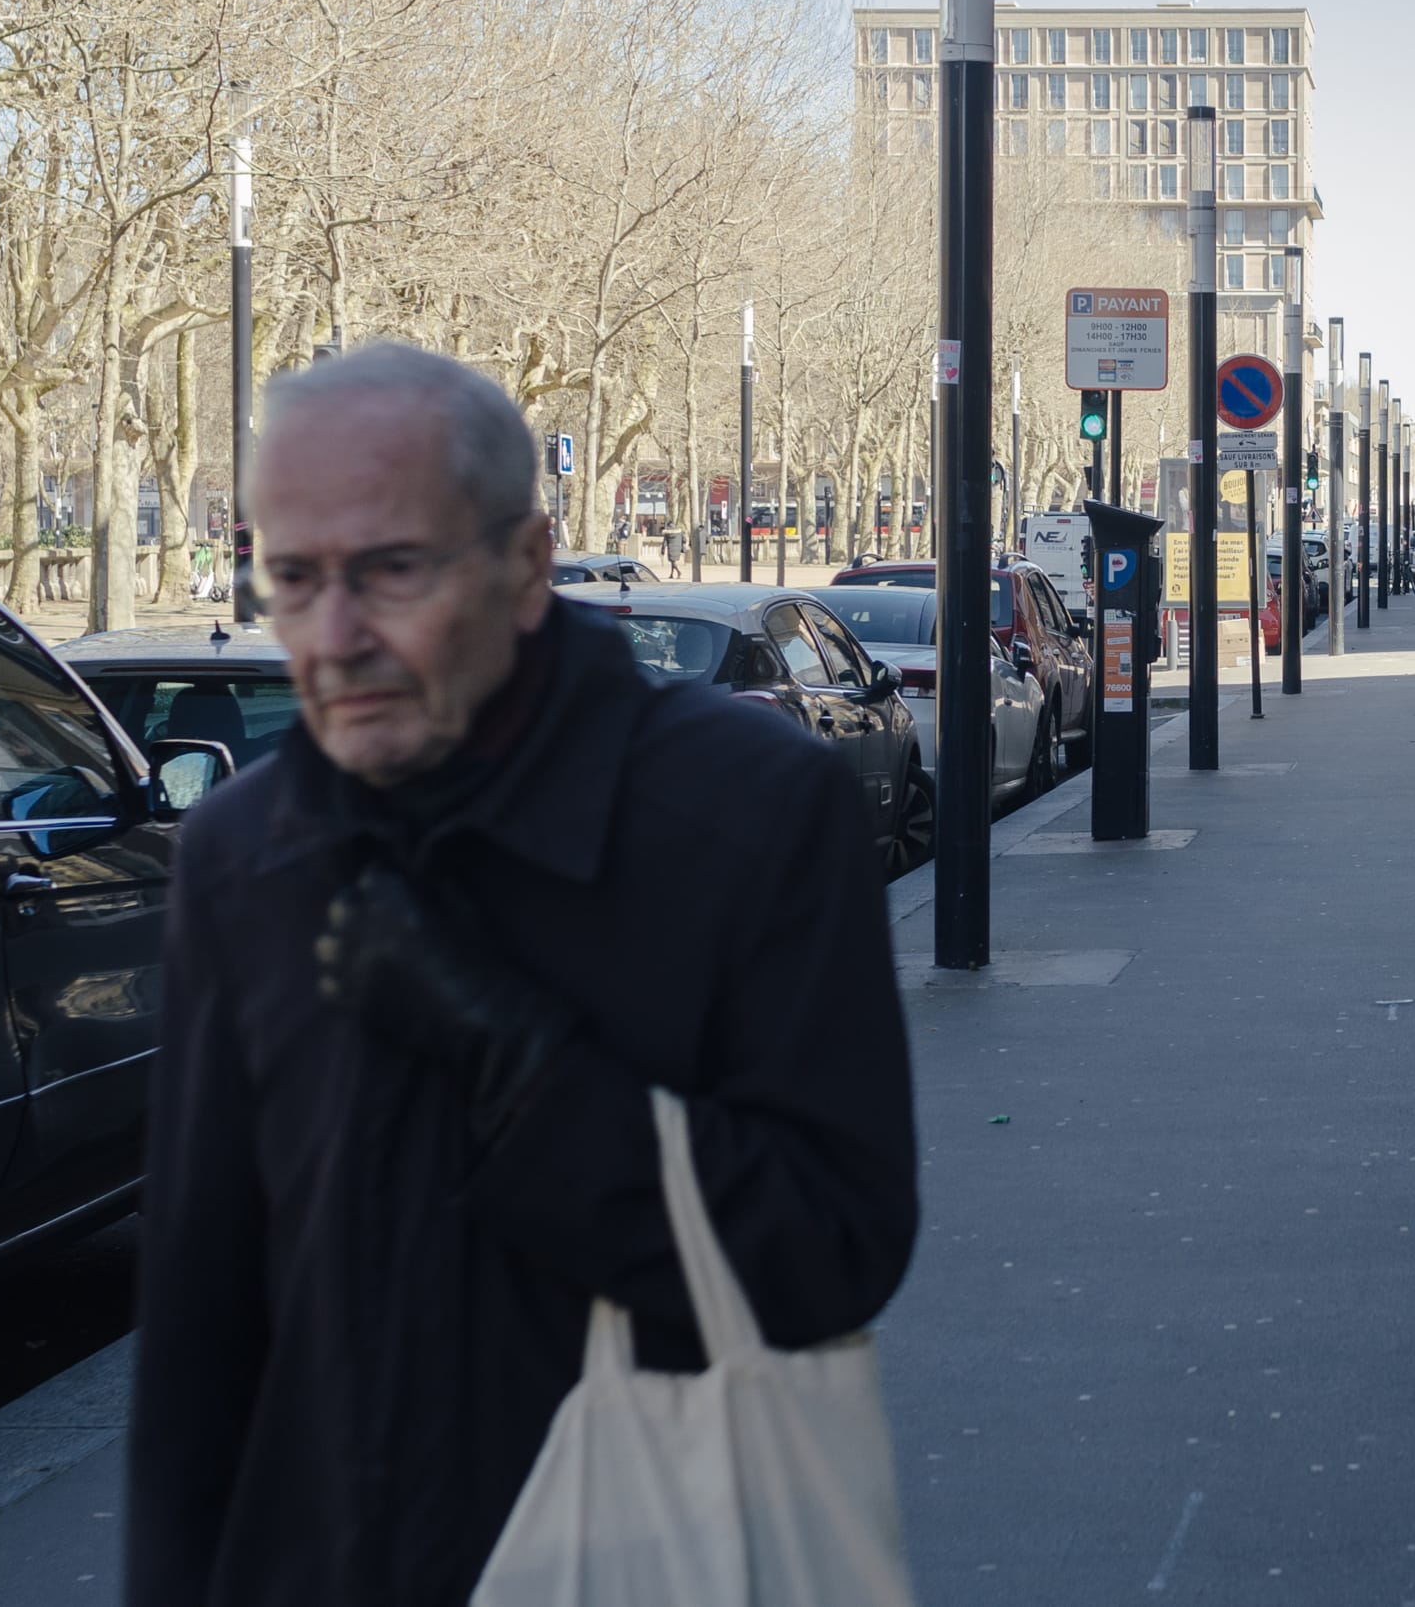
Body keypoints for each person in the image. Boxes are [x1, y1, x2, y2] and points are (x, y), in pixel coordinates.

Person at [126, 342, 918, 1605]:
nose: (334, 636)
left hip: (648, 1554)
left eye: (392, 570)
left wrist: (519, 1066)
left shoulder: (753, 814)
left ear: (530, 564)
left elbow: (833, 1251)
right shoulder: (243, 853)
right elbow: (196, 1336)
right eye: (294, 577)